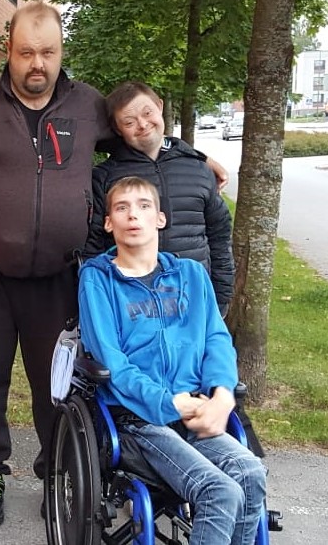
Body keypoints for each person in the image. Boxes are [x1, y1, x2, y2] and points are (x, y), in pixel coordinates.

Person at [0, 1, 230, 526]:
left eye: (48, 52)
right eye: (26, 52)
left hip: (60, 273)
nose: (37, 64)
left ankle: (55, 472)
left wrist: (189, 152)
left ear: (60, 51)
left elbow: (139, 138)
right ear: (9, 50)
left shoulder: (88, 105)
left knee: (57, 383)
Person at [78, 176, 266, 545]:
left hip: (195, 410)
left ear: (160, 219)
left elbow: (216, 340)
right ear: (109, 223)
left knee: (250, 473)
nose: (133, 215)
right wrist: (169, 403)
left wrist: (222, 395)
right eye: (122, 208)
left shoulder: (191, 275)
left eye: (143, 206)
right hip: (138, 418)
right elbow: (112, 361)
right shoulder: (98, 281)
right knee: (219, 491)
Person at [85, 81, 235, 315]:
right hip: (131, 306)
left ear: (160, 106)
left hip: (194, 300)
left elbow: (220, 236)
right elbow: (93, 245)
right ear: (117, 129)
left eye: (147, 113)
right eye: (129, 122)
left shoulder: (198, 169)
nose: (143, 124)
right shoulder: (105, 177)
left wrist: (221, 298)